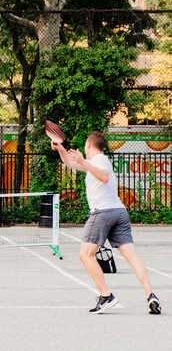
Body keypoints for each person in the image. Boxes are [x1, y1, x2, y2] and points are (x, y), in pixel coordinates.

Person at [52, 131, 161, 314]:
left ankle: (106, 295)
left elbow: (103, 176)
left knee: (85, 254)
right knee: (131, 256)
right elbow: (71, 163)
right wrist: (60, 149)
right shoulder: (94, 163)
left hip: (103, 212)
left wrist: (83, 161)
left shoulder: (99, 161)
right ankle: (151, 295)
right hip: (119, 212)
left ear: (89, 146)